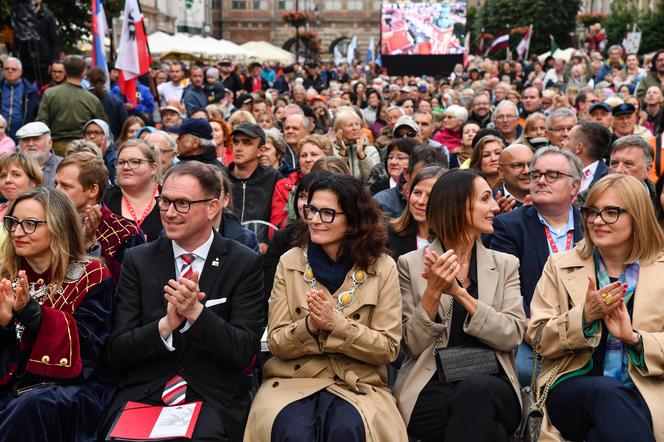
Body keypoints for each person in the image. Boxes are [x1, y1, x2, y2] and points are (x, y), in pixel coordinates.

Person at [102, 161, 264, 442]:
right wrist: (165, 326)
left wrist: (197, 315)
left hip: (211, 395)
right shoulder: (138, 260)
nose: (170, 213)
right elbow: (117, 350)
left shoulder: (242, 262)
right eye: (164, 202)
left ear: (212, 207)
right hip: (146, 391)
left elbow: (243, 351)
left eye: (182, 204)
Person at [244, 174, 408, 442]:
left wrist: (338, 325)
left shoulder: (382, 266)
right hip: (292, 379)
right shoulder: (290, 260)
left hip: (357, 381)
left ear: (354, 219)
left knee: (348, 430)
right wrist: (309, 326)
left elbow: (388, 348)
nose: (315, 220)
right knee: (292, 431)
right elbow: (276, 342)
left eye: (328, 213)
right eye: (311, 210)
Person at [393, 169, 526, 442]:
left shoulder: (504, 265)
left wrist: (459, 293)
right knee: (488, 427)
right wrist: (432, 292)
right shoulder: (411, 264)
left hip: (493, 380)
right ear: (458, 205)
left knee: (476, 392)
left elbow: (512, 335)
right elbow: (411, 345)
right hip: (431, 382)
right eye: (485, 198)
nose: (494, 207)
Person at [530, 173, 664, 441]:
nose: (597, 221)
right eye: (591, 211)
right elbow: (538, 338)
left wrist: (635, 339)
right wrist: (584, 317)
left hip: (648, 388)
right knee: (607, 393)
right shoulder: (559, 264)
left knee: (609, 425)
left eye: (611, 212)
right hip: (572, 387)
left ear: (637, 216)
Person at [0, 186, 115, 440]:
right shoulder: (6, 278)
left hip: (68, 388)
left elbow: (88, 351)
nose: (17, 232)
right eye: (13, 222)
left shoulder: (90, 276)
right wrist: (4, 325)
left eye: (30, 224)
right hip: (12, 384)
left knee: (32, 406)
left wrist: (33, 314)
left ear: (58, 226)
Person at [489, 146, 584, 386]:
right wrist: (534, 333)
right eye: (536, 175)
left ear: (574, 186)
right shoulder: (509, 226)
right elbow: (504, 291)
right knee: (523, 372)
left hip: (587, 329)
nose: (541, 181)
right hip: (532, 333)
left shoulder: (592, 222)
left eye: (552, 175)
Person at [55, 152, 145, 283]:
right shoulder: (47, 222)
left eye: (66, 186)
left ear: (92, 190)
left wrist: (92, 246)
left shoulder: (126, 234)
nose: (57, 191)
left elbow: (124, 289)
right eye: (55, 184)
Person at [37, 55, 108, 156]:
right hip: (83, 148)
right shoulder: (92, 99)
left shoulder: (49, 94)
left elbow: (41, 122)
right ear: (84, 73)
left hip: (56, 148)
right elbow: (103, 126)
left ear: (65, 71)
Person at [227, 122, 280, 252]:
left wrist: (267, 242)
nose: (238, 148)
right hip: (225, 249)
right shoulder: (220, 178)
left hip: (261, 252)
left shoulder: (273, 178)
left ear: (261, 151)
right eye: (236, 142)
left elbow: (279, 218)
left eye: (246, 143)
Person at [103, 139, 162, 241]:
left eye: (135, 162)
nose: (126, 167)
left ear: (153, 168)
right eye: (121, 162)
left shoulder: (169, 199)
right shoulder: (105, 199)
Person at [271, 134, 333, 231]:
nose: (308, 160)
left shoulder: (338, 184)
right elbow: (276, 227)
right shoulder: (283, 185)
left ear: (327, 157)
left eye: (314, 154)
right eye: (303, 155)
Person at [388, 165, 445, 259]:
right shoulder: (388, 236)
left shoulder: (455, 240)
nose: (421, 201)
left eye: (430, 196)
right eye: (417, 193)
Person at [563, 120, 611, 204]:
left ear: (579, 147)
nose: (562, 143)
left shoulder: (608, 181)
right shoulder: (560, 172)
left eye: (567, 139)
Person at [333, 109, 380, 183]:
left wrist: (361, 155)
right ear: (339, 130)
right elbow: (334, 178)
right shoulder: (332, 150)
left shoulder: (370, 150)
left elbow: (373, 179)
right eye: (350, 125)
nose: (355, 128)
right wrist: (342, 152)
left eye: (357, 124)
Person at [0, 57, 40, 141]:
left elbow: (37, 115)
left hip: (22, 137)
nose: (10, 71)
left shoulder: (30, 91)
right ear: (3, 71)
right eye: (6, 68)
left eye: (13, 69)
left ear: (20, 72)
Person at [15, 121, 62, 187]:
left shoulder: (63, 166)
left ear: (50, 143)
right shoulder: (10, 166)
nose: (30, 144)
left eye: (36, 139)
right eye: (25, 140)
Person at [88, 66, 128, 139]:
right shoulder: (116, 100)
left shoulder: (83, 98)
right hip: (110, 140)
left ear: (89, 80)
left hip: (89, 140)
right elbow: (124, 124)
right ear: (105, 80)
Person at [0, 152, 43, 218]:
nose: (7, 180)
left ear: (33, 181)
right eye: (3, 176)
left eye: (16, 175)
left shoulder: (44, 212)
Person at [83, 118, 117, 183]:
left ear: (106, 135)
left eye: (97, 132)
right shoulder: (79, 154)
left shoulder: (113, 159)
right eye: (88, 133)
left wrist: (100, 156)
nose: (92, 136)